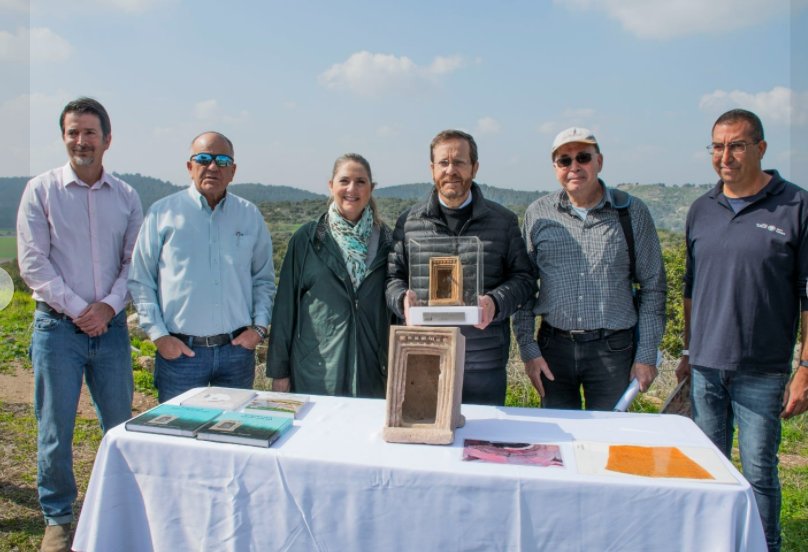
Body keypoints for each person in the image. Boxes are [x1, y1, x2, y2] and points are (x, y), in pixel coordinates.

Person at [677, 109, 808, 552]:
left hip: (763, 368)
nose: (725, 156)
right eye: (717, 146)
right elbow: (691, 289)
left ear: (761, 149)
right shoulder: (701, 209)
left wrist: (805, 367)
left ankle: (762, 545)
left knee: (757, 473)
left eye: (736, 145)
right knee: (708, 470)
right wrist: (687, 351)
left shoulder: (796, 206)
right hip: (706, 366)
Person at [16, 97, 143, 552]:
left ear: (107, 140)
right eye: (73, 132)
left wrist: (107, 308)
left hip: (110, 333)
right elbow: (33, 264)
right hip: (56, 330)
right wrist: (79, 310)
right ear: (63, 137)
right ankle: (58, 518)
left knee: (119, 426)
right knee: (54, 430)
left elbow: (134, 264)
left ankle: (120, 510)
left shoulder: (127, 197)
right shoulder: (41, 190)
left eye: (90, 132)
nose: (80, 140)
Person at [514, 127, 666, 411]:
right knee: (559, 438)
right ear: (555, 167)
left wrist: (646, 354)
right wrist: (528, 351)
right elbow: (524, 284)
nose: (574, 167)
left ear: (599, 161)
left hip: (613, 350)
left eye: (583, 157)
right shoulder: (538, 213)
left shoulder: (632, 212)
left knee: (608, 442)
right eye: (564, 160)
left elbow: (653, 286)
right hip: (553, 349)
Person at [386, 129, 536, 405]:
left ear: (474, 168)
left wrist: (495, 301)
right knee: (429, 443)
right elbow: (394, 277)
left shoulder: (502, 221)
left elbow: (524, 278)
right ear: (432, 169)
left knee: (483, 446)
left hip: (484, 362)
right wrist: (401, 300)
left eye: (459, 162)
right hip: (425, 356)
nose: (451, 170)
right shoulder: (408, 222)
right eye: (443, 163)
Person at [128, 131, 275, 403]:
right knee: (178, 436)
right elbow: (141, 280)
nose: (212, 167)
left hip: (236, 353)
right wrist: (159, 337)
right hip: (181, 353)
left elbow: (263, 279)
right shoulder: (163, 213)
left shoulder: (249, 215)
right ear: (189, 166)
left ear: (233, 170)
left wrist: (259, 330)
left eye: (221, 160)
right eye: (203, 159)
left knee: (234, 434)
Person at [267, 154, 392, 397]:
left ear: (371, 188)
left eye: (360, 182)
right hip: (316, 373)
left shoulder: (388, 241)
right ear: (331, 185)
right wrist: (279, 372)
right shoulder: (307, 239)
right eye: (344, 181)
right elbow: (285, 310)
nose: (351, 189)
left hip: (372, 375)